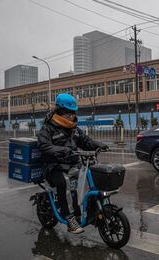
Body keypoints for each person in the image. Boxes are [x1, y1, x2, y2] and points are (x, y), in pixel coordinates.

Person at [37, 93, 108, 234]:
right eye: (69, 113)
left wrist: (99, 145)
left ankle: (90, 211)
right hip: (54, 167)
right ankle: (69, 218)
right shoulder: (48, 128)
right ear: (59, 112)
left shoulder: (74, 129)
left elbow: (86, 142)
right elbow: (43, 146)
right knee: (64, 183)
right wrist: (62, 150)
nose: (72, 116)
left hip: (72, 164)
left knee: (90, 178)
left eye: (73, 112)